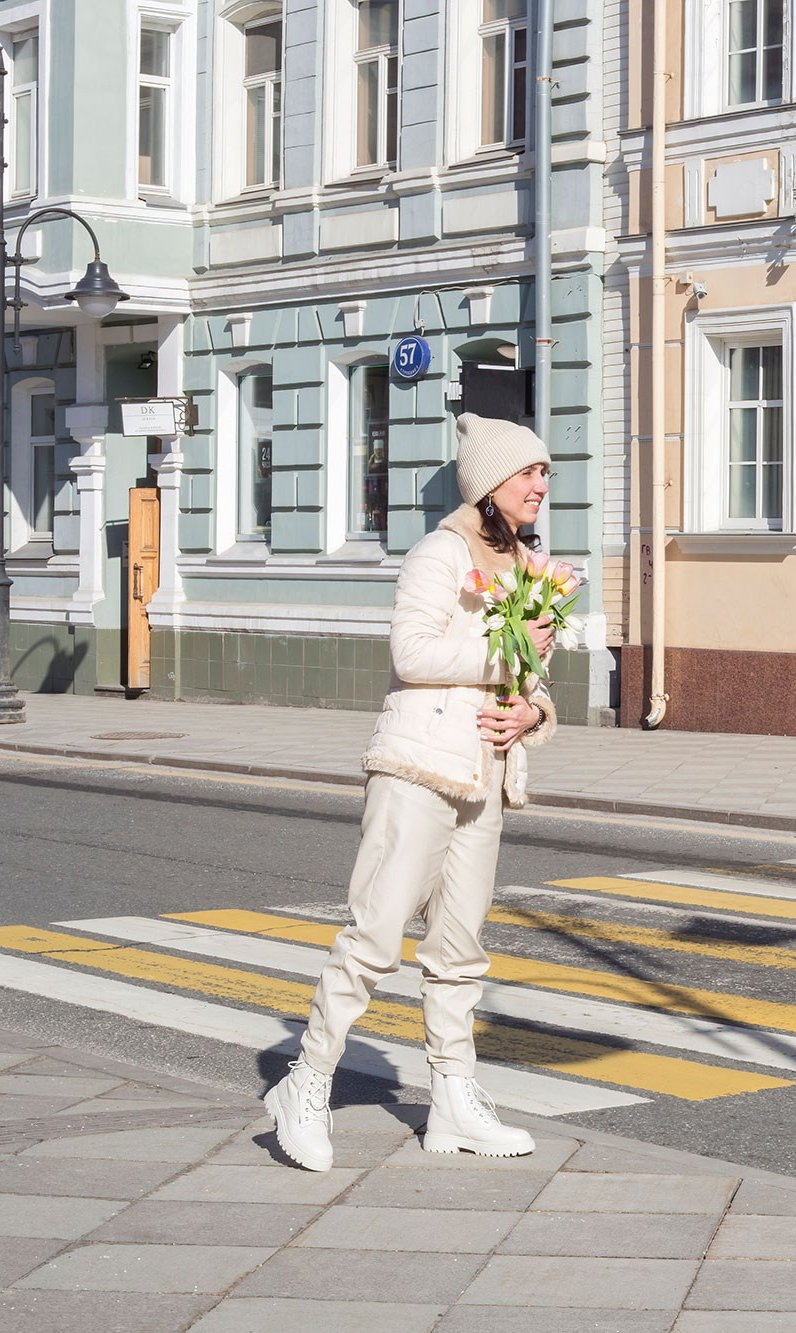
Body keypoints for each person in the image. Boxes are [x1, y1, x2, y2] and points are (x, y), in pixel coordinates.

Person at [264, 413, 560, 1171]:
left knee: (460, 951)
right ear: (491, 482)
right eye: (528, 471)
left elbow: (529, 682)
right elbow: (412, 649)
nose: (540, 484)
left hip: (486, 776)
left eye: (544, 472)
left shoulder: (530, 563)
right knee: (373, 936)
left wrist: (533, 709)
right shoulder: (439, 551)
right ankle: (307, 1083)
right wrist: (502, 657)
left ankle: (453, 1101)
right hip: (419, 768)